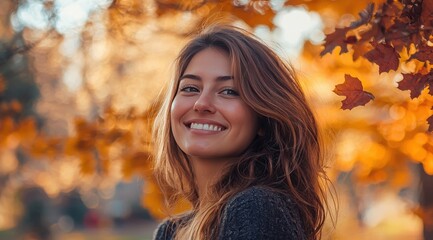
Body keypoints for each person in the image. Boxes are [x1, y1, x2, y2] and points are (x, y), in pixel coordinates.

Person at [151, 25, 333, 240]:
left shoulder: (256, 208)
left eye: (229, 91)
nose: (201, 104)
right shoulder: (170, 233)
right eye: (190, 88)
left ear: (264, 121)